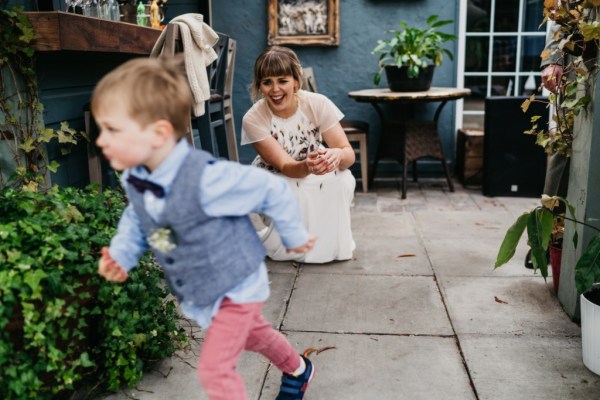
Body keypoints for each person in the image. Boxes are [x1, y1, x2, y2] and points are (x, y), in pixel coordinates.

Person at [92, 56, 317, 400]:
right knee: (255, 335)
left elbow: (269, 187)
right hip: (205, 290)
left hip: (236, 284)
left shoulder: (206, 179)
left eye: (113, 130)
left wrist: (293, 234)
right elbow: (137, 219)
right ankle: (299, 369)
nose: (101, 141)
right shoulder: (138, 179)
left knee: (215, 371)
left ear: (158, 134)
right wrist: (122, 254)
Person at [241, 45, 356, 264]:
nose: (275, 90)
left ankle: (329, 245)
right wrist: (308, 167)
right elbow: (285, 166)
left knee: (342, 179)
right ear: (259, 86)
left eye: (282, 80)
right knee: (293, 189)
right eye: (267, 82)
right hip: (278, 176)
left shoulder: (317, 103)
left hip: (313, 166)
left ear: (295, 81)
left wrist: (336, 155)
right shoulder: (253, 119)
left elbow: (349, 154)